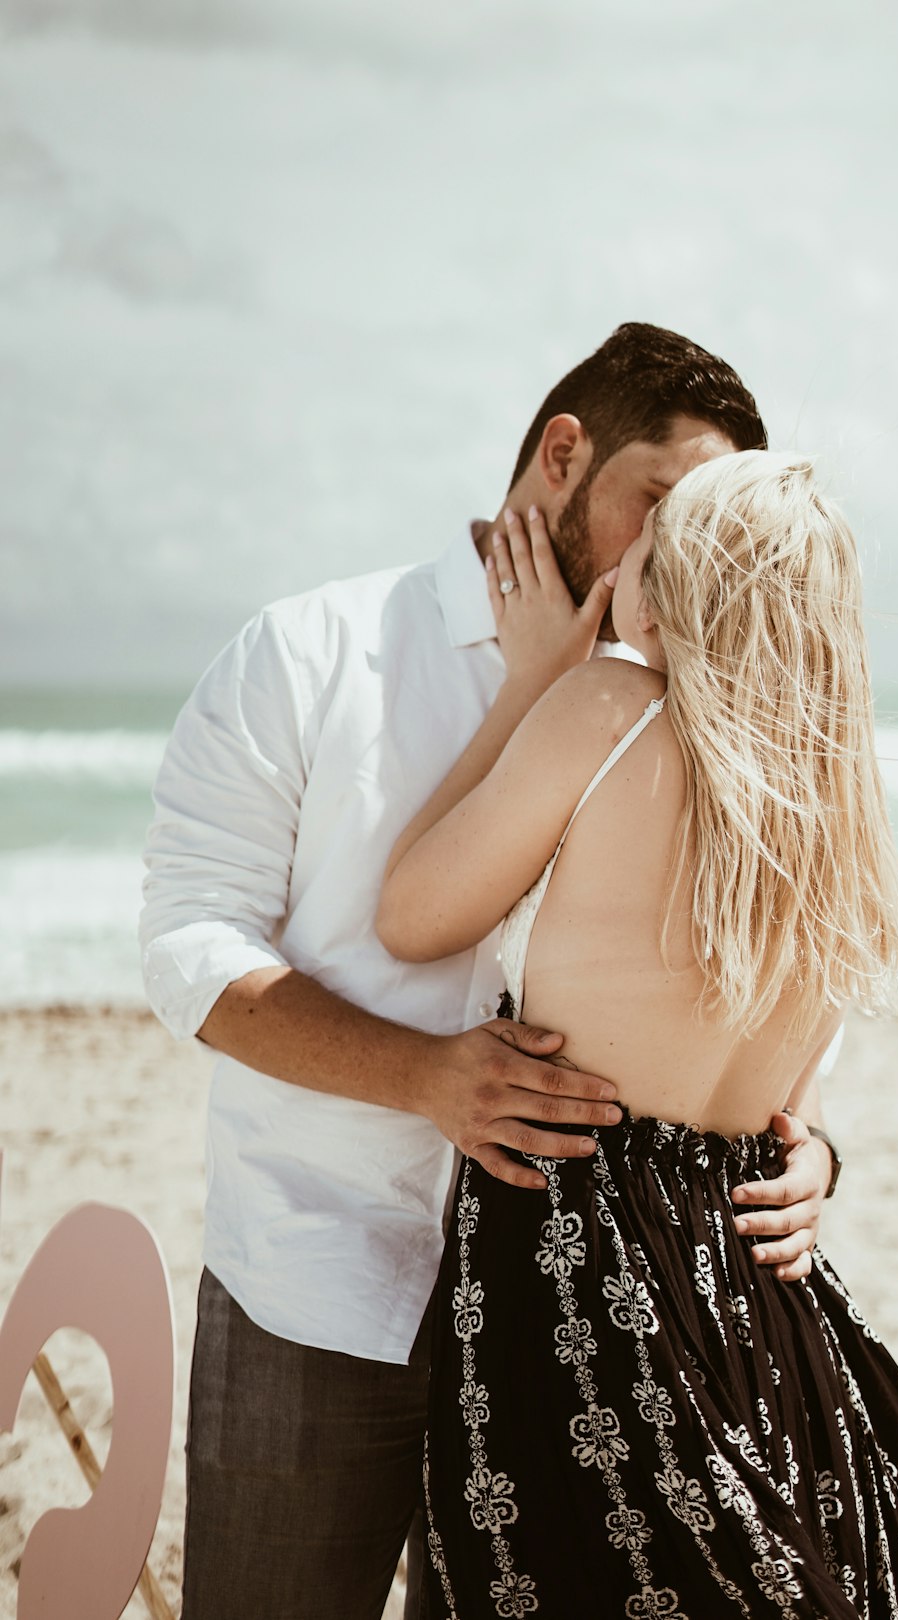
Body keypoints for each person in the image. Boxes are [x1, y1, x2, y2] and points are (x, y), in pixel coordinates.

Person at [138, 324, 843, 1620]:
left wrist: (810, 1146)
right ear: (561, 458)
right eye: (663, 505)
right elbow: (192, 945)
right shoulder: (311, 651)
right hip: (322, 1281)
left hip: (574, 1327)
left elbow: (754, 958)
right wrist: (424, 1079)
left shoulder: (693, 694)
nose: (680, 551)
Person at [377, 454, 898, 1617]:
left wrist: (532, 683)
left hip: (581, 1243)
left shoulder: (607, 709)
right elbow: (790, 1090)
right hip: (755, 1273)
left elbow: (411, 913)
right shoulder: (835, 807)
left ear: (670, 595)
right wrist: (818, 1155)